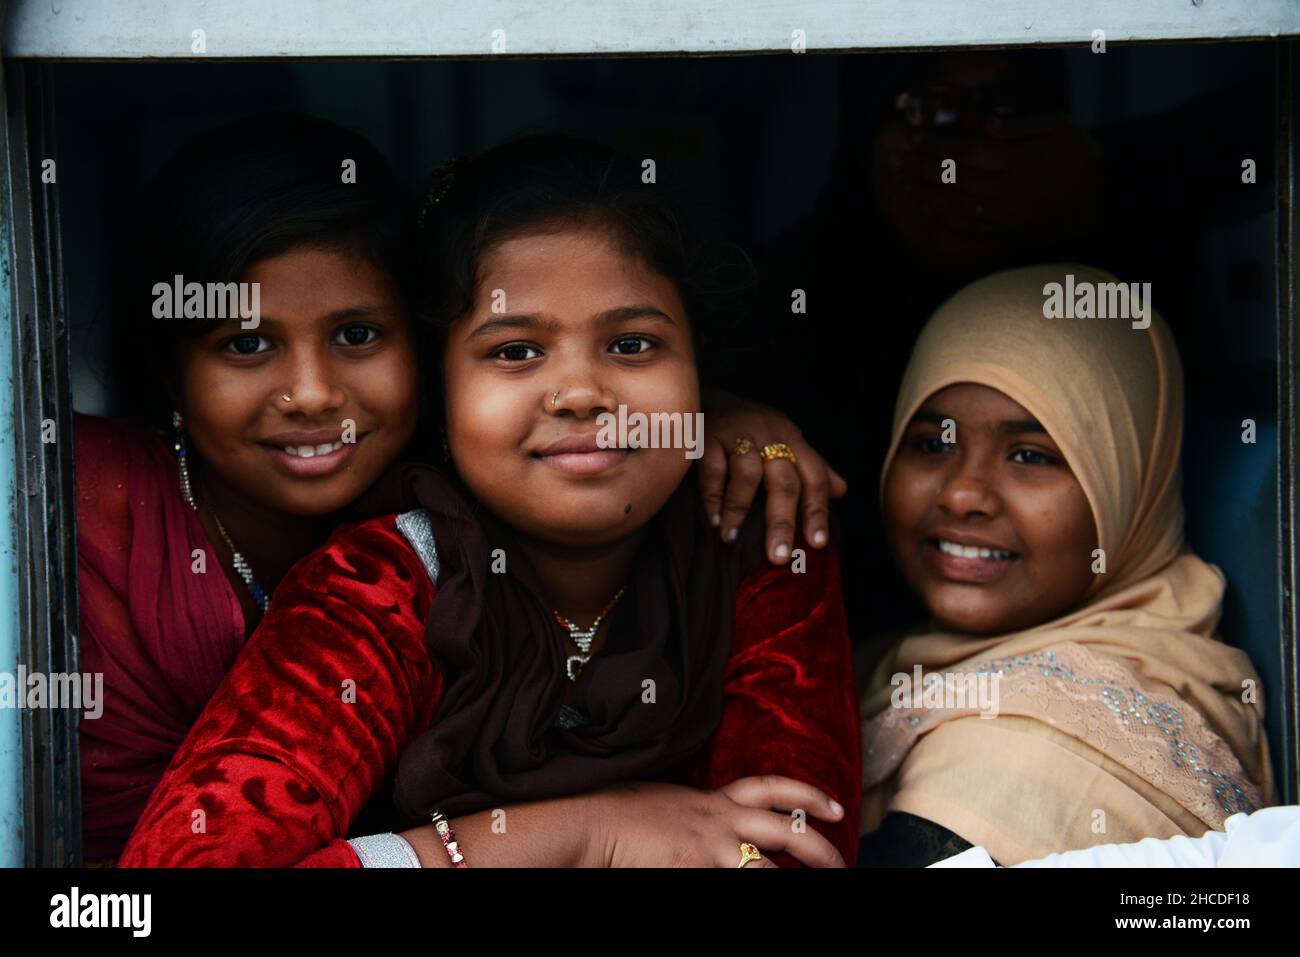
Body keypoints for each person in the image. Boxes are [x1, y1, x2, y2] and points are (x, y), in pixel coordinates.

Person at [78, 115, 845, 862]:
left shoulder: (759, 536)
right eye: (515, 351)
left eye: (633, 344)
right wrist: (586, 834)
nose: (579, 392)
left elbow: (795, 843)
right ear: (440, 389)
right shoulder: (382, 584)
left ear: (699, 365)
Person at [857, 263, 1275, 866]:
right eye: (932, 444)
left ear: (1131, 482)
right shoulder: (899, 664)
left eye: (1029, 455)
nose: (961, 494)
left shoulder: (1039, 752)